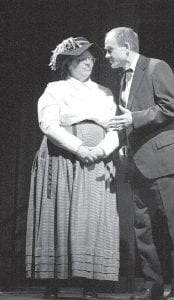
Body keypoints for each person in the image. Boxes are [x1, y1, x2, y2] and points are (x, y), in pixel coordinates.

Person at [25, 36, 120, 299]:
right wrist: (79, 148)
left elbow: (115, 128)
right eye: (80, 58)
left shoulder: (105, 92)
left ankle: (91, 284)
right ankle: (52, 283)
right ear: (67, 63)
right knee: (59, 215)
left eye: (90, 58)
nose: (87, 62)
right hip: (63, 158)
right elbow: (49, 124)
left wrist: (100, 150)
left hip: (97, 160)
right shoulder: (55, 89)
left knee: (92, 220)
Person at [104, 27, 174, 300]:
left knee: (173, 229)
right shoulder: (122, 80)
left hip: (165, 162)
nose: (106, 55)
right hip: (138, 163)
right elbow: (127, 119)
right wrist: (124, 146)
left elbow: (171, 106)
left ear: (127, 48)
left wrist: (134, 119)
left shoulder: (156, 68)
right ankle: (152, 286)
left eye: (110, 49)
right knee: (142, 228)